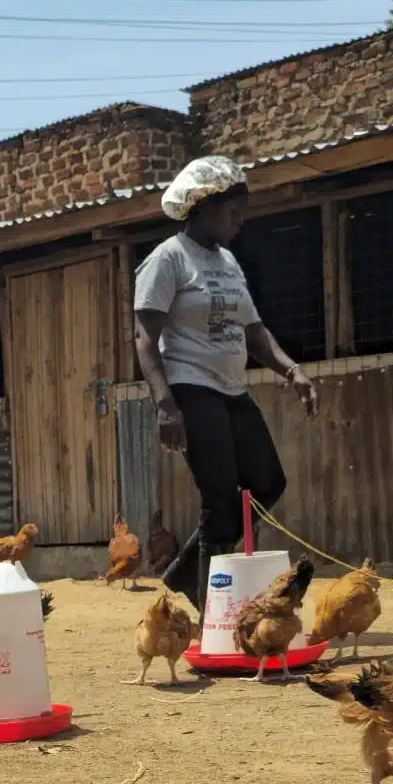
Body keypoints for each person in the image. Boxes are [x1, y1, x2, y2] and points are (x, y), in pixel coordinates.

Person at [132, 155, 318, 612]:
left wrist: (292, 370)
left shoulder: (229, 262)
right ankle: (211, 608)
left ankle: (185, 572)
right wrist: (165, 404)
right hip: (191, 387)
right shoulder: (168, 259)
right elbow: (144, 339)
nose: (240, 221)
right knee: (219, 496)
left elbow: (253, 330)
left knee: (268, 482)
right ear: (203, 207)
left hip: (233, 388)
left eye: (242, 212)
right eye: (232, 212)